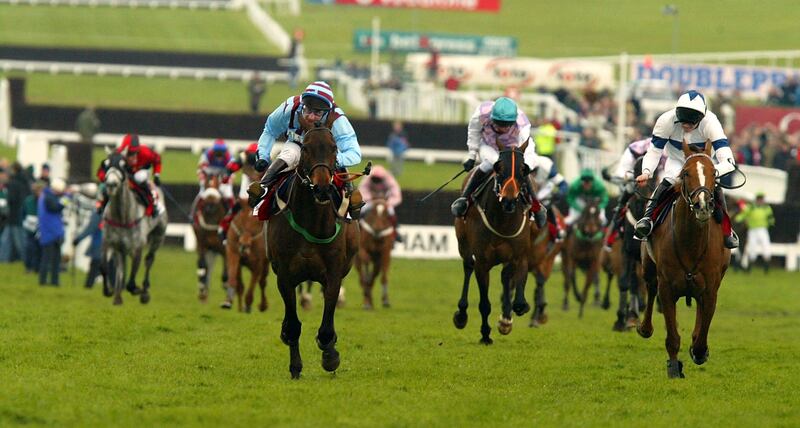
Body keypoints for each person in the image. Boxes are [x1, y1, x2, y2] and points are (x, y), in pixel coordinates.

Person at [634, 90, 739, 249]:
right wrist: (646, 172)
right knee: (668, 181)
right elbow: (654, 150)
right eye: (683, 115)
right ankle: (647, 219)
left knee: (715, 189)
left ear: (702, 116)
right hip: (677, 162)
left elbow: (729, 161)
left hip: (703, 164)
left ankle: (727, 231)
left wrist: (708, 173)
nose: (686, 122)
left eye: (693, 118)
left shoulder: (711, 122)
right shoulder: (666, 120)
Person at [248, 81, 363, 219]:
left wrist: (335, 160)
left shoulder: (337, 119)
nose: (311, 117)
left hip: (324, 153)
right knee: (289, 155)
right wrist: (263, 156)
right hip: (297, 145)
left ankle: (351, 201)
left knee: (342, 170)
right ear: (303, 104)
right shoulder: (290, 107)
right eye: (308, 110)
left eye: (318, 113)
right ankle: (263, 188)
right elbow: (270, 130)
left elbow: (354, 152)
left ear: (328, 111)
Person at [450, 96, 547, 228]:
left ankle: (536, 205)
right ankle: (465, 199)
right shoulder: (482, 112)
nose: (502, 128)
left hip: (514, 147)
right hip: (490, 145)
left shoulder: (522, 123)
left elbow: (528, 147)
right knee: (491, 163)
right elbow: (474, 132)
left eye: (506, 125)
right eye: (499, 123)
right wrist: (472, 155)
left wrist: (526, 166)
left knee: (518, 169)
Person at [601, 138, 658, 250]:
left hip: (651, 181)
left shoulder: (662, 151)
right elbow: (624, 175)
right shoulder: (635, 150)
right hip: (635, 179)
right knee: (627, 191)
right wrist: (623, 177)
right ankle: (610, 238)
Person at [96, 134, 162, 217]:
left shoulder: (146, 152)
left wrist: (156, 175)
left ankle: (152, 205)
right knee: (113, 181)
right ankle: (102, 204)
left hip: (141, 170)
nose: (133, 156)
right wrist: (103, 177)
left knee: (138, 178)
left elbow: (157, 160)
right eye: (130, 153)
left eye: (135, 153)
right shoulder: (118, 153)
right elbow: (103, 168)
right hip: (128, 172)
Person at [218, 143, 260, 241]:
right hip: (248, 179)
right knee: (241, 203)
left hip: (261, 180)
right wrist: (226, 175)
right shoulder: (243, 157)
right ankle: (224, 228)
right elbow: (231, 168)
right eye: (251, 157)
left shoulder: (266, 158)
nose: (252, 161)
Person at [358, 165, 403, 243]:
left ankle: (395, 232)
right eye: (374, 179)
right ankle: (357, 229)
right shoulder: (367, 178)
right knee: (362, 209)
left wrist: (388, 203)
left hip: (385, 201)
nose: (376, 182)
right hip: (371, 201)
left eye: (378, 179)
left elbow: (396, 195)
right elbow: (362, 190)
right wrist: (370, 198)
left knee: (391, 211)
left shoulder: (389, 179)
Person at [72, 183, 104, 288]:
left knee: (95, 264)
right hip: (109, 242)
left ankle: (89, 285)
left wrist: (78, 239)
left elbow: (91, 227)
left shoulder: (100, 209)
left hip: (99, 241)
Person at [38, 178, 68, 286]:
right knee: (48, 259)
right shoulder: (49, 198)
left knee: (55, 259)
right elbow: (56, 207)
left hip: (52, 232)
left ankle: (53, 281)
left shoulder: (46, 196)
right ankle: (44, 281)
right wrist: (67, 198)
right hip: (50, 233)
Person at [734, 192, 775, 273]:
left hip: (763, 229)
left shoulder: (766, 208)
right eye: (758, 198)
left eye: (761, 199)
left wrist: (771, 223)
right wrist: (737, 219)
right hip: (752, 230)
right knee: (751, 248)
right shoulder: (751, 207)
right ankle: (750, 265)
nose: (760, 200)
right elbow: (744, 215)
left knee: (766, 246)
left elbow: (770, 217)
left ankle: (766, 265)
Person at [530, 155, 568, 239]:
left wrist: (559, 193)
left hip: (543, 190)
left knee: (547, 206)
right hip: (527, 192)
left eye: (534, 170)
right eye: (529, 171)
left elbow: (563, 185)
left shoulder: (547, 167)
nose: (532, 174)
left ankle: (556, 232)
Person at [0, 162, 31, 262]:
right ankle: (4, 259)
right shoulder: (24, 182)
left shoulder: (13, 183)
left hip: (14, 216)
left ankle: (25, 260)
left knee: (18, 242)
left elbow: (12, 199)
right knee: (6, 240)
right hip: (19, 216)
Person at [197, 139, 235, 210]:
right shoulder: (207, 154)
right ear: (214, 151)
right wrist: (202, 181)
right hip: (209, 174)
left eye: (221, 152)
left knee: (228, 194)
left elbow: (232, 173)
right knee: (201, 194)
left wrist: (226, 182)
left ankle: (232, 213)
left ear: (225, 151)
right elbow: (200, 169)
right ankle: (194, 214)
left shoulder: (229, 157)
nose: (219, 154)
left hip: (223, 174)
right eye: (217, 152)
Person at [23, 180, 45, 273]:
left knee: (40, 249)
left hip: (42, 229)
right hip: (30, 228)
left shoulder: (45, 202)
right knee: (30, 248)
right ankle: (29, 267)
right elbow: (23, 213)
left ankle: (38, 268)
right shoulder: (28, 200)